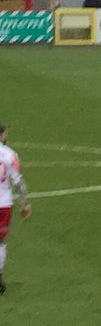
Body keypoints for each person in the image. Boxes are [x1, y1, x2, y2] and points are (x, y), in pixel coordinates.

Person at [0, 124, 32, 295]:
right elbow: (18, 182)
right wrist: (25, 202)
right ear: (1, 136)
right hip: (3, 204)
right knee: (0, 242)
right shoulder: (10, 155)